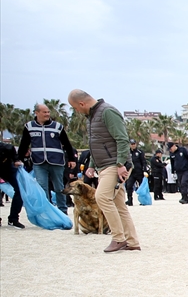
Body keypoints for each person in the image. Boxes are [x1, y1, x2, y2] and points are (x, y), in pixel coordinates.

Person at [68, 90, 140, 252]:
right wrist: (92, 165)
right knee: (119, 205)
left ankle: (118, 238)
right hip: (104, 165)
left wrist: (121, 163)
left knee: (101, 197)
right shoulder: (92, 118)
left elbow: (122, 139)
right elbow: (97, 144)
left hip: (114, 165)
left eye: (76, 108)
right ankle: (132, 241)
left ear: (81, 104)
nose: (77, 112)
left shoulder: (107, 112)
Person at [17, 103, 77, 211]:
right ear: (37, 113)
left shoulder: (57, 126)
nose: (47, 114)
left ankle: (63, 210)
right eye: (44, 112)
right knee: (42, 187)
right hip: (39, 162)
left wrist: (72, 159)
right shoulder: (29, 126)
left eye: (48, 112)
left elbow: (67, 144)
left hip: (57, 162)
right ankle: (47, 210)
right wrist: (18, 159)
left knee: (59, 187)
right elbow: (24, 144)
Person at [1, 140, 25, 228]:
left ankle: (13, 219)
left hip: (6, 167)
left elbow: (10, 147)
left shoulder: (5, 147)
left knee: (20, 189)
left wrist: (16, 160)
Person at [124, 140, 146, 206]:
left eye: (134, 144)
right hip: (131, 172)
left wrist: (144, 170)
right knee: (129, 186)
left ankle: (143, 200)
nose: (133, 145)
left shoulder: (140, 152)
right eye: (131, 144)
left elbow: (143, 162)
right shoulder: (127, 152)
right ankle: (130, 200)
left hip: (139, 172)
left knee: (142, 187)